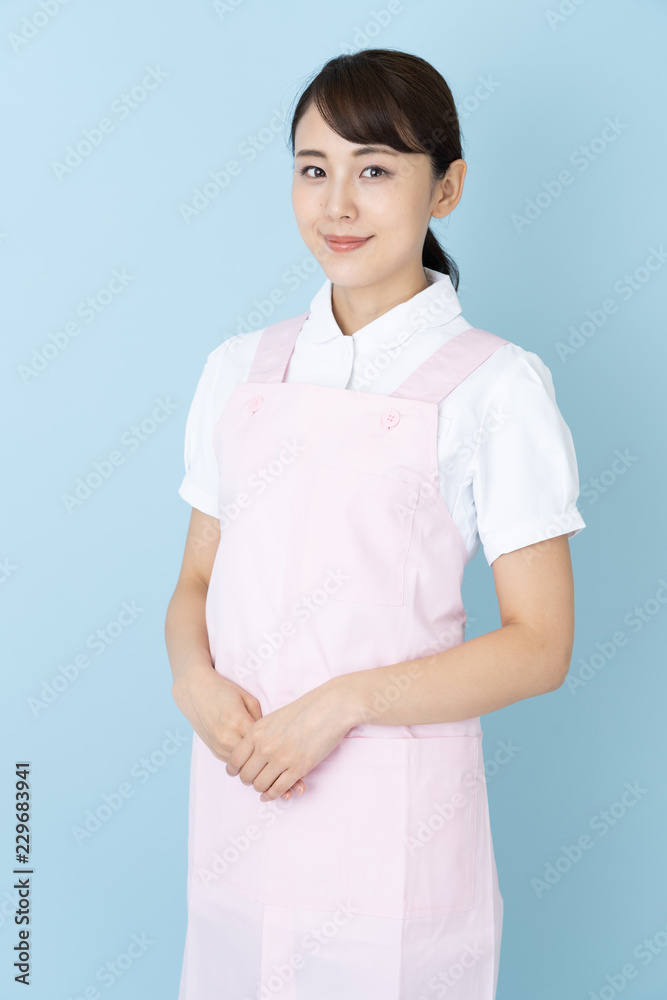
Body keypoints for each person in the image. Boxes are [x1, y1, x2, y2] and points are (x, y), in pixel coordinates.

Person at [165, 48, 586, 1000]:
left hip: (392, 827)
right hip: (238, 794)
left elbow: (540, 646)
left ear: (447, 188)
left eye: (375, 170)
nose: (337, 205)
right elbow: (195, 584)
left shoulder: (494, 387)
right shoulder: (239, 370)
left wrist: (340, 704)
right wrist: (192, 679)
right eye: (313, 169)